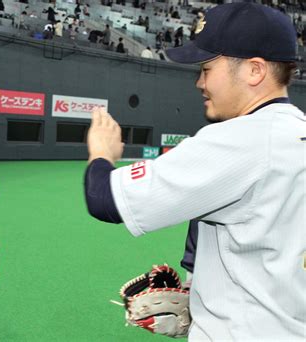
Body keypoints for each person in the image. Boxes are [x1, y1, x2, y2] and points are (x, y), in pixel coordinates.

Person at [84, 3, 305, 341]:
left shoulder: (241, 139)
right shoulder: (296, 131)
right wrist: (197, 286)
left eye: (207, 68)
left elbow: (104, 199)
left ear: (254, 70)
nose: (200, 82)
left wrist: (101, 153)